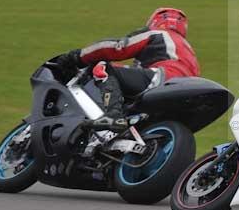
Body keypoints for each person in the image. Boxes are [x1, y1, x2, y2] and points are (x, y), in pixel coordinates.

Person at [57, 7, 200, 131]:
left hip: (161, 79)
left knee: (103, 67)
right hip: (183, 95)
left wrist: (77, 56)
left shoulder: (157, 33)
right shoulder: (189, 51)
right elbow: (130, 74)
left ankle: (112, 115)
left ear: (156, 21)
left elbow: (118, 47)